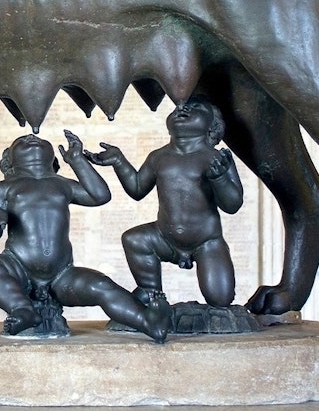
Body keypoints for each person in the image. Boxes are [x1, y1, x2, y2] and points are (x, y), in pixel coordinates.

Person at [0, 131, 169, 342]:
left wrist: (77, 160)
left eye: (38, 139)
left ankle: (149, 323)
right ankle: (22, 309)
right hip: (18, 267)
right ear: (9, 161)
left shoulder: (62, 184)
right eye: (20, 141)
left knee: (101, 286)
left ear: (53, 159)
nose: (31, 137)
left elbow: (99, 195)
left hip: (62, 275)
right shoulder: (5, 187)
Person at [88, 96, 244, 308]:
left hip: (206, 241)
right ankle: (150, 291)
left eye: (195, 107)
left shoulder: (215, 158)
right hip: (164, 237)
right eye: (178, 108)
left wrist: (220, 178)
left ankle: (214, 293)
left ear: (212, 126)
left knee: (220, 299)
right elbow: (136, 189)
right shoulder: (158, 157)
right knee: (134, 239)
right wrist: (119, 161)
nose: (183, 109)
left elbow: (232, 205)